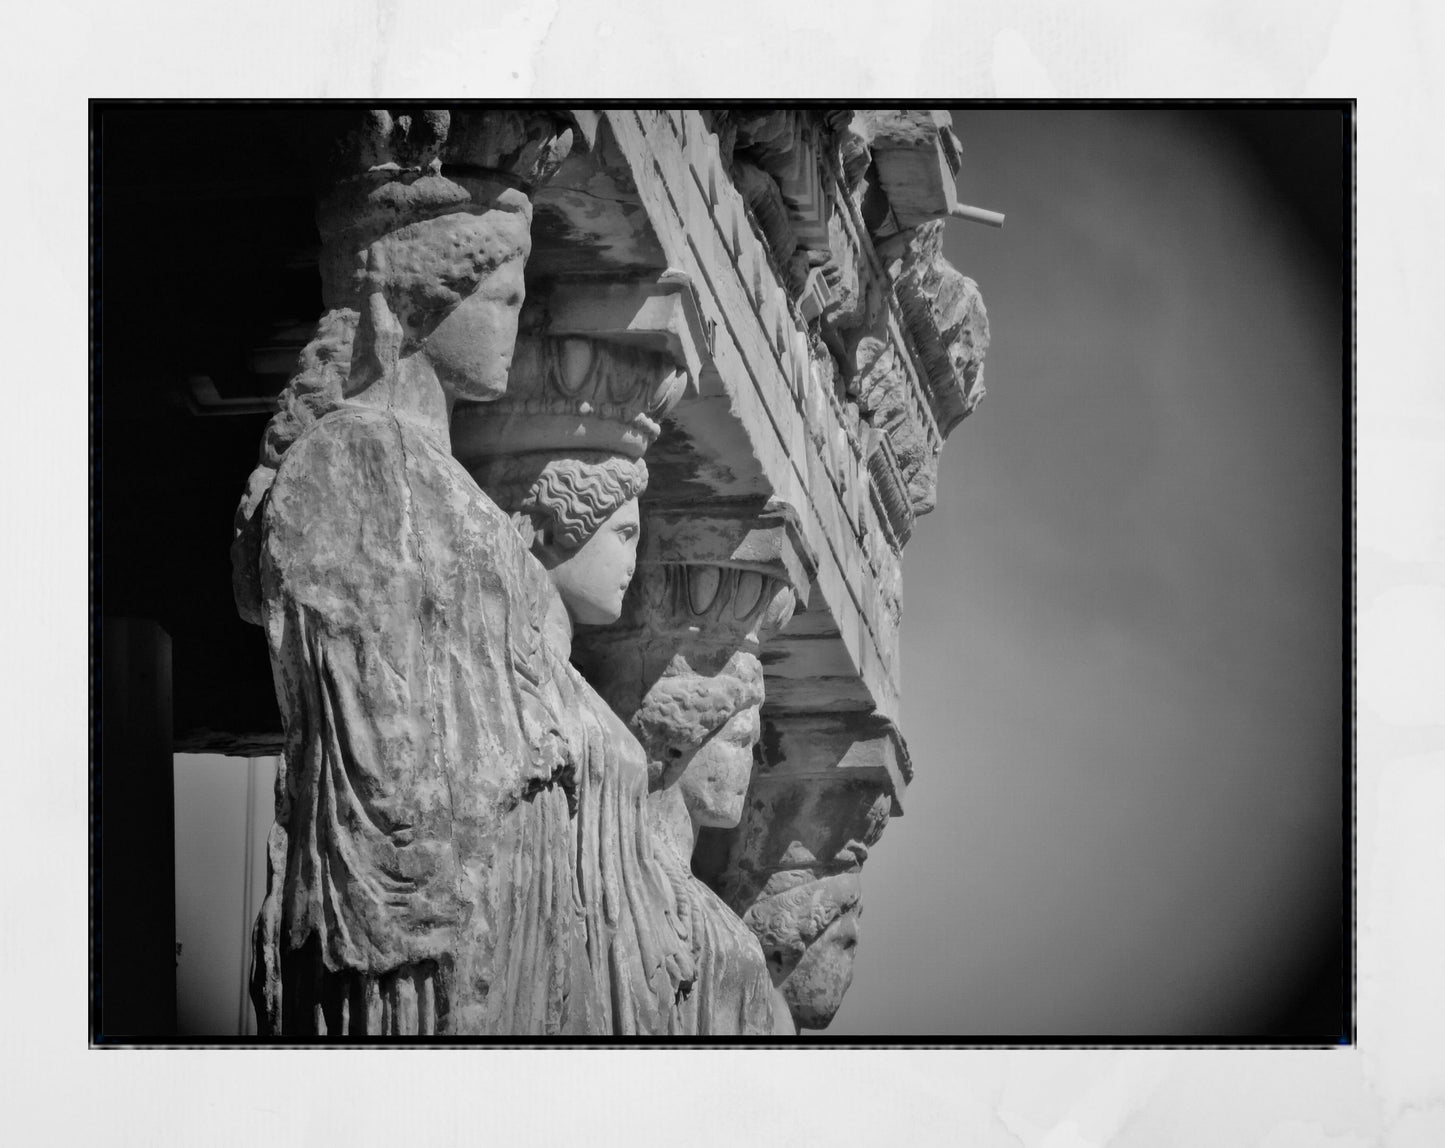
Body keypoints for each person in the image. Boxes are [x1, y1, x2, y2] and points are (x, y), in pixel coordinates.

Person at [232, 166, 606, 1034]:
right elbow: (366, 714)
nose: (518, 323)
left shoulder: (451, 483)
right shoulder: (354, 456)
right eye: (504, 298)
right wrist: (418, 886)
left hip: (510, 871)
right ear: (430, 296)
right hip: (419, 894)